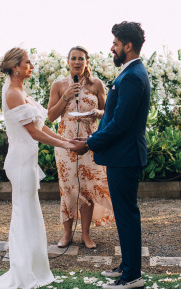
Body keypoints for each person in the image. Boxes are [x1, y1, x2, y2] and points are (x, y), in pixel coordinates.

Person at [0, 47, 76, 289]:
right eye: (28, 62)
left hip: (27, 160)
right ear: (16, 67)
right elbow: (34, 132)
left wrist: (66, 142)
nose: (31, 66)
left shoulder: (20, 91)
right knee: (23, 215)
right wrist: (67, 144)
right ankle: (22, 272)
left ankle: (34, 270)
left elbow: (40, 126)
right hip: (20, 162)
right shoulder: (13, 93)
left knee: (29, 214)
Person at [71, 21, 150, 289]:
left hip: (125, 157)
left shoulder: (132, 76)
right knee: (125, 214)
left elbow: (121, 124)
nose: (112, 48)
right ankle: (128, 266)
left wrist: (89, 143)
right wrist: (90, 138)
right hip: (122, 155)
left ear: (128, 46)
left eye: (115, 44)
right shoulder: (131, 73)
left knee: (127, 215)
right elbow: (114, 118)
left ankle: (132, 276)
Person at [47, 46, 115, 249]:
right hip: (65, 144)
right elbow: (50, 116)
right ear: (68, 62)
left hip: (90, 142)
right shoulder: (59, 85)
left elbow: (109, 113)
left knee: (87, 189)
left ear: (87, 62)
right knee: (68, 189)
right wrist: (66, 96)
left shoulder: (96, 85)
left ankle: (86, 234)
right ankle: (67, 234)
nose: (77, 62)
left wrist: (97, 112)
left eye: (81, 59)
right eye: (73, 58)